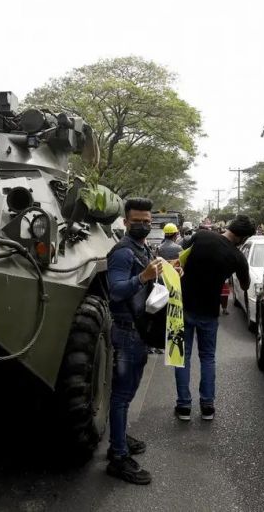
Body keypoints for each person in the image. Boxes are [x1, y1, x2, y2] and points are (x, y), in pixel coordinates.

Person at [105, 197, 163, 485]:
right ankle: (117, 456)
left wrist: (166, 271)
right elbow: (115, 291)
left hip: (139, 330)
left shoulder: (143, 247)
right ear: (126, 222)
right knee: (121, 395)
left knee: (128, 393)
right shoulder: (122, 252)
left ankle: (120, 438)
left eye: (147, 221)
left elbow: (147, 281)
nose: (142, 225)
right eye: (137, 221)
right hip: (126, 331)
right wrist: (143, 277)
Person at [175, 215, 256, 421]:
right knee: (207, 358)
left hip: (183, 307)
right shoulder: (237, 257)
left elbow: (180, 256)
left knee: (182, 357)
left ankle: (184, 407)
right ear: (243, 237)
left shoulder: (201, 236)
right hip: (209, 312)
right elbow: (245, 285)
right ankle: (207, 406)